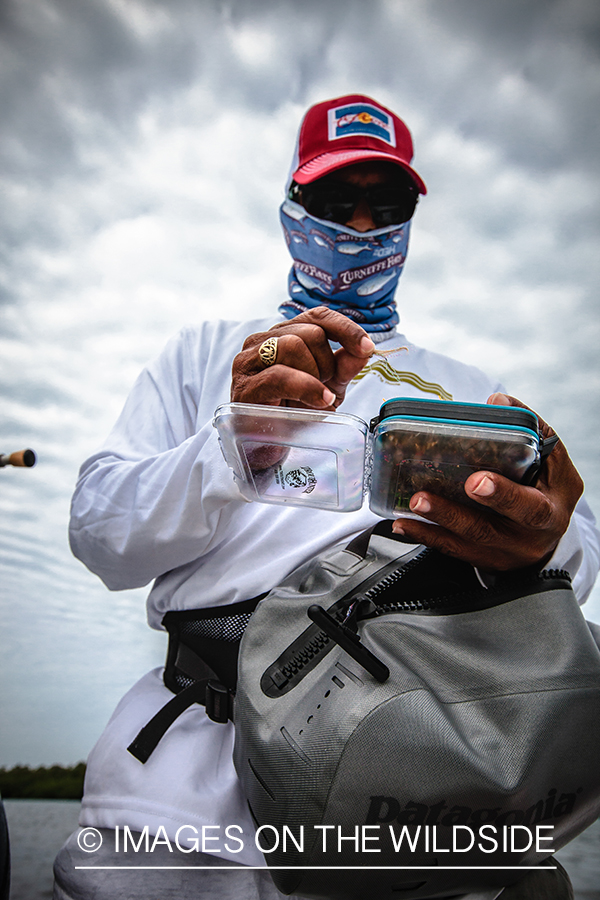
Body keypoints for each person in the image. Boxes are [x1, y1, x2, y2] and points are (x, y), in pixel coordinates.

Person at [53, 94, 599, 900]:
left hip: (412, 804)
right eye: (336, 202)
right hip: (178, 813)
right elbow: (100, 534)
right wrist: (233, 446)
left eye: (389, 205)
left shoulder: (472, 390)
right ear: (292, 209)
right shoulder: (204, 354)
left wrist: (546, 543)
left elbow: (577, 557)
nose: (363, 225)